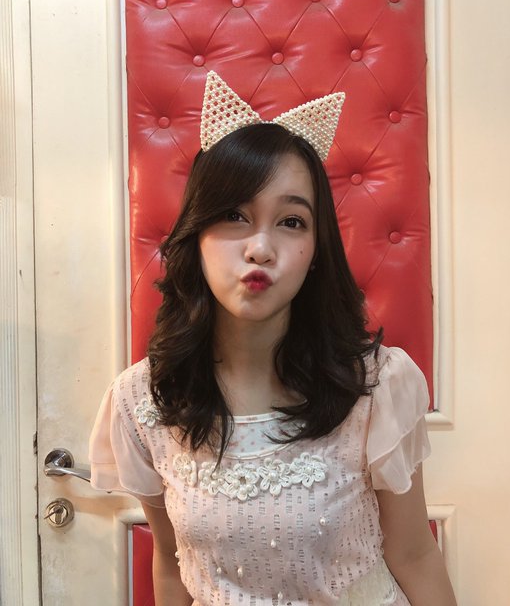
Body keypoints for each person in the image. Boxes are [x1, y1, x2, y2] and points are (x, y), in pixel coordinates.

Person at [89, 71, 457, 605]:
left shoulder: (377, 385)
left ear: (315, 252)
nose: (260, 248)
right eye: (234, 216)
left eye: (290, 222)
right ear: (197, 234)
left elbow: (414, 554)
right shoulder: (144, 400)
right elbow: (171, 564)